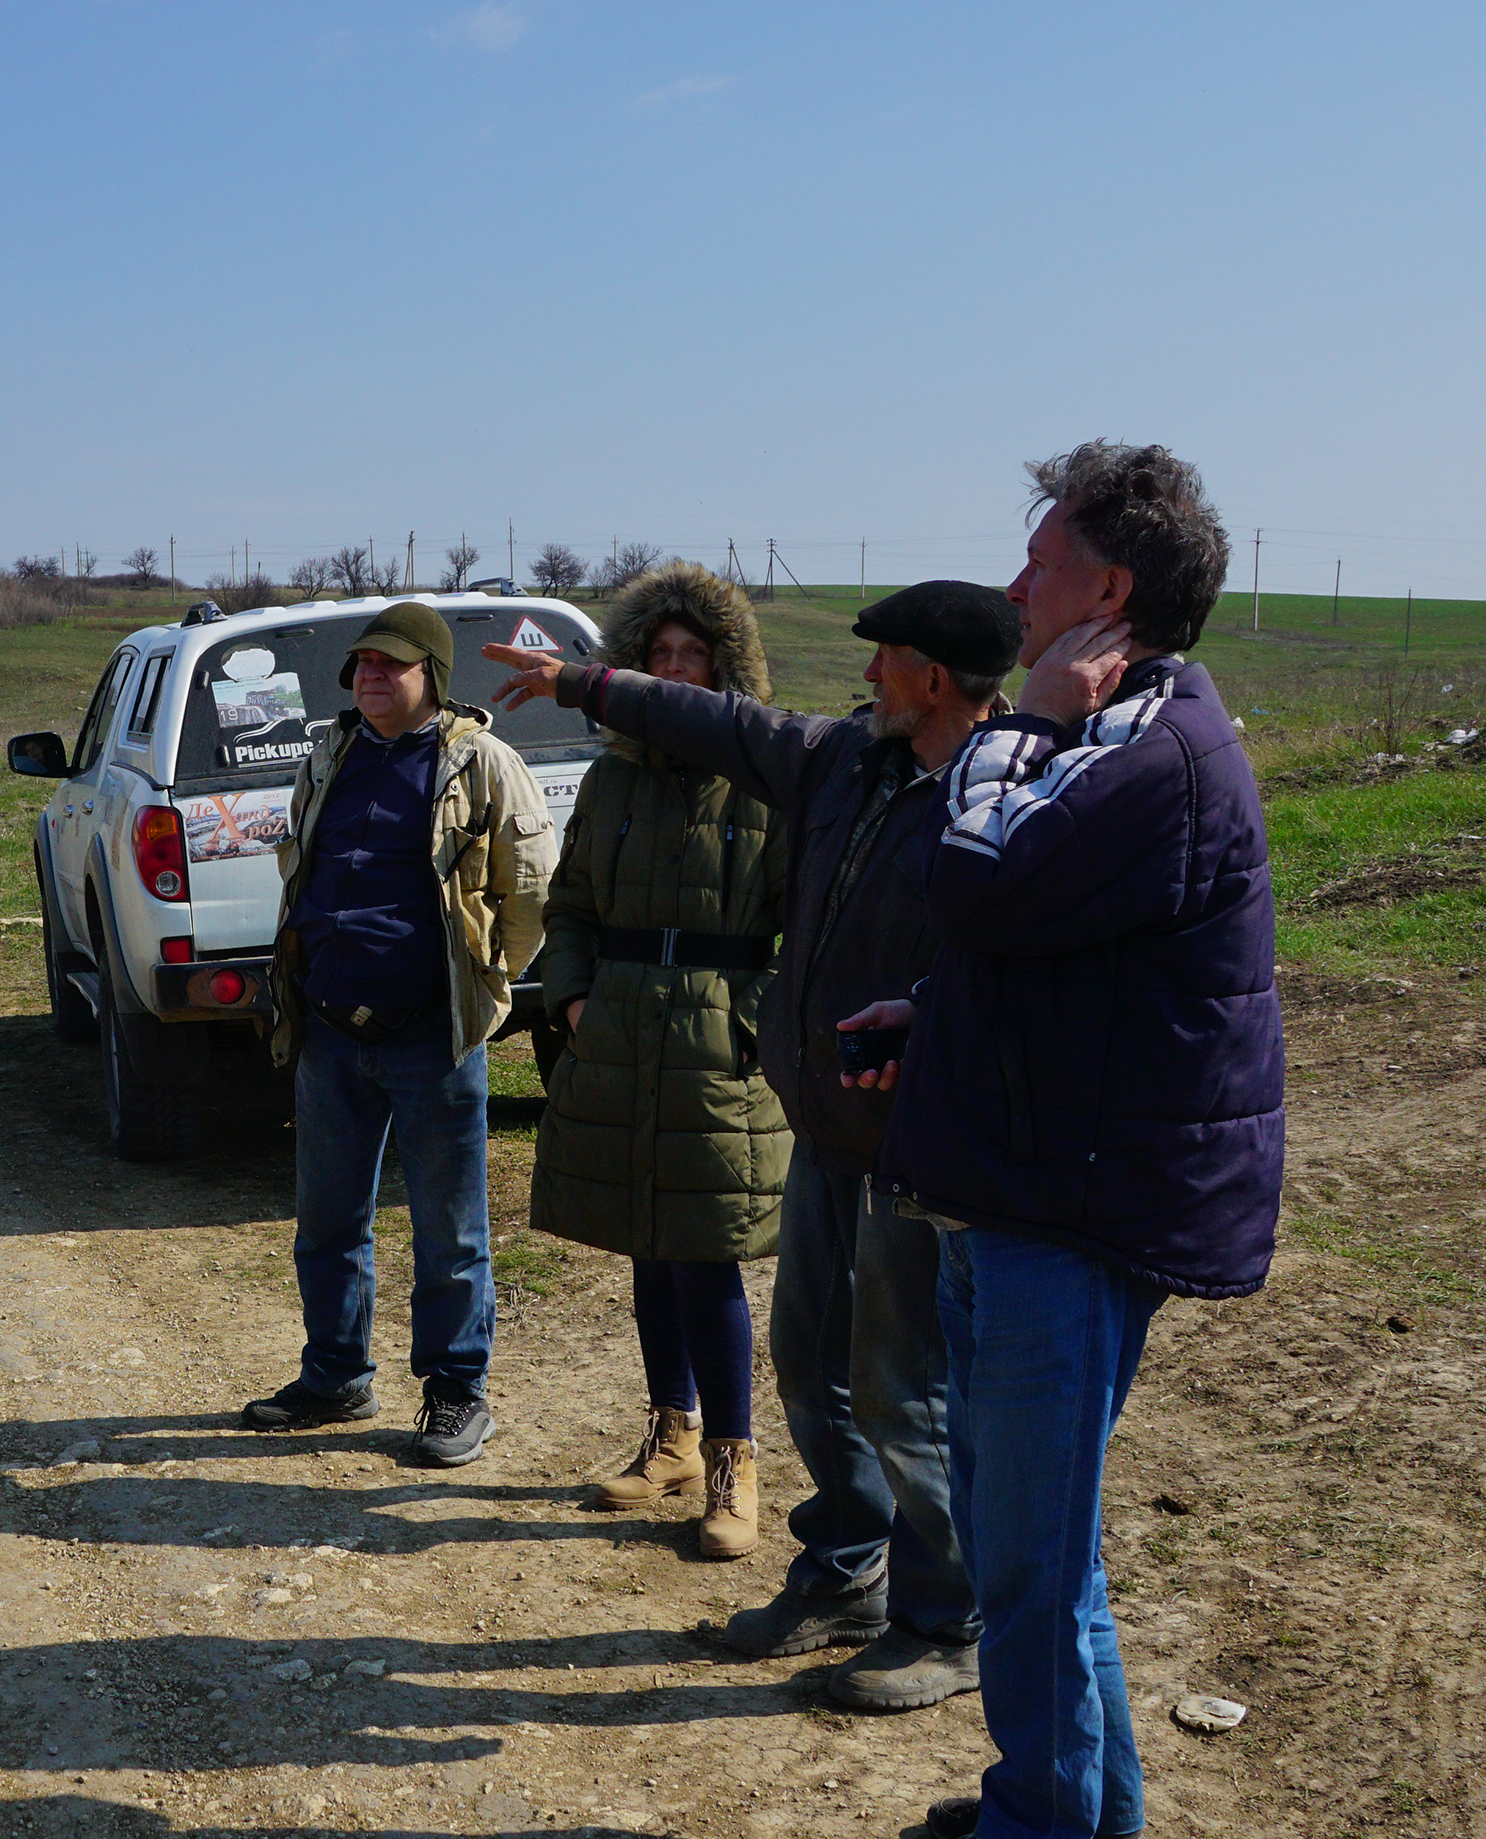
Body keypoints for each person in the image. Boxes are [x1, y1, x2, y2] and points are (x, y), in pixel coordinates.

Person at [854, 443, 1285, 1839]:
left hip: (1072, 1213)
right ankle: (1091, 1801)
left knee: (1027, 1542)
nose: (1014, 585)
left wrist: (1017, 724)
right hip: (1030, 1178)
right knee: (1038, 1526)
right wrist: (940, 1023)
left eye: (1038, 560)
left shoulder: (1141, 751)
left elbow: (969, 880)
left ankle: (1032, 1823)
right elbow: (1042, 946)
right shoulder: (1128, 737)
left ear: (1106, 589)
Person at [484, 577, 1018, 1711]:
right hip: (827, 1116)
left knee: (901, 1379)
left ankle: (944, 1616)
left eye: (887, 658)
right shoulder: (845, 759)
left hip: (917, 1134)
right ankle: (841, 1574)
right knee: (813, 1362)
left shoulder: (997, 786)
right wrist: (580, 680)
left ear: (936, 677)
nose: (864, 673)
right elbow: (710, 727)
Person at [242, 600, 557, 1468]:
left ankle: (456, 1393)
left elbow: (528, 894)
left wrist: (486, 987)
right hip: (331, 1031)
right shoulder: (330, 755)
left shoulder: (480, 763)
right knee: (327, 1222)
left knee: (451, 1232)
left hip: (433, 1039)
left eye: (392, 665)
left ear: (431, 676)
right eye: (363, 667)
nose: (372, 678)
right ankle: (336, 1374)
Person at [525, 563, 791, 1560]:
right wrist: (578, 994)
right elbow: (569, 904)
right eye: (659, 655)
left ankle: (733, 1461)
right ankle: (669, 1437)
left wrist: (751, 1024)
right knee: (645, 1238)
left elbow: (802, 925)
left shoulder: (767, 782)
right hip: (623, 1025)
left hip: (717, 1038)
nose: (674, 672)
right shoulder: (612, 778)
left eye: (694, 657)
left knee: (703, 1247)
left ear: (726, 670)